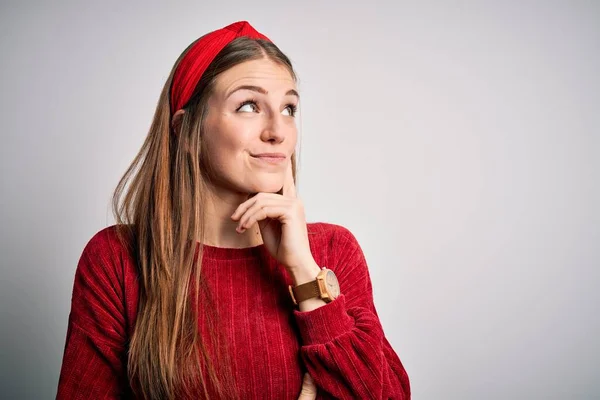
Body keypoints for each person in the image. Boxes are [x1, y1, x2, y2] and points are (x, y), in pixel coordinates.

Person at [56, 21, 411, 399]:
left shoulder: (332, 251)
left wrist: (304, 273)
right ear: (186, 129)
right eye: (248, 105)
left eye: (289, 108)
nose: (278, 131)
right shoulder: (118, 260)